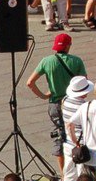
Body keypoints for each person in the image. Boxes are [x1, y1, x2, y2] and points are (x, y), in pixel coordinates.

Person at [25, 33, 85, 171]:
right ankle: (78, 167)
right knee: (77, 135)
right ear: (68, 45)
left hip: (55, 104)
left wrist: (43, 96)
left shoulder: (46, 61)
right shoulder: (76, 61)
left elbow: (30, 82)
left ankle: (63, 172)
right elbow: (84, 83)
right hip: (72, 103)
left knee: (59, 137)